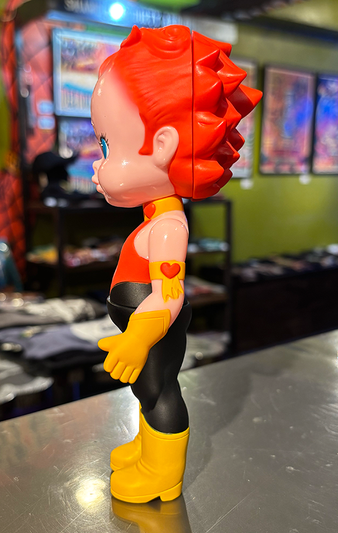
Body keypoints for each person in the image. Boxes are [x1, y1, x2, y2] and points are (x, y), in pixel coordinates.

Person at [91, 24, 261, 504]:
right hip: (140, 323)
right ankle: (147, 446)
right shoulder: (155, 214)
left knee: (160, 389)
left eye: (107, 146)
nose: (97, 165)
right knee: (147, 390)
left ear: (163, 144)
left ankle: (162, 471)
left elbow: (169, 294)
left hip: (151, 326)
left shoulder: (169, 226)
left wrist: (139, 336)